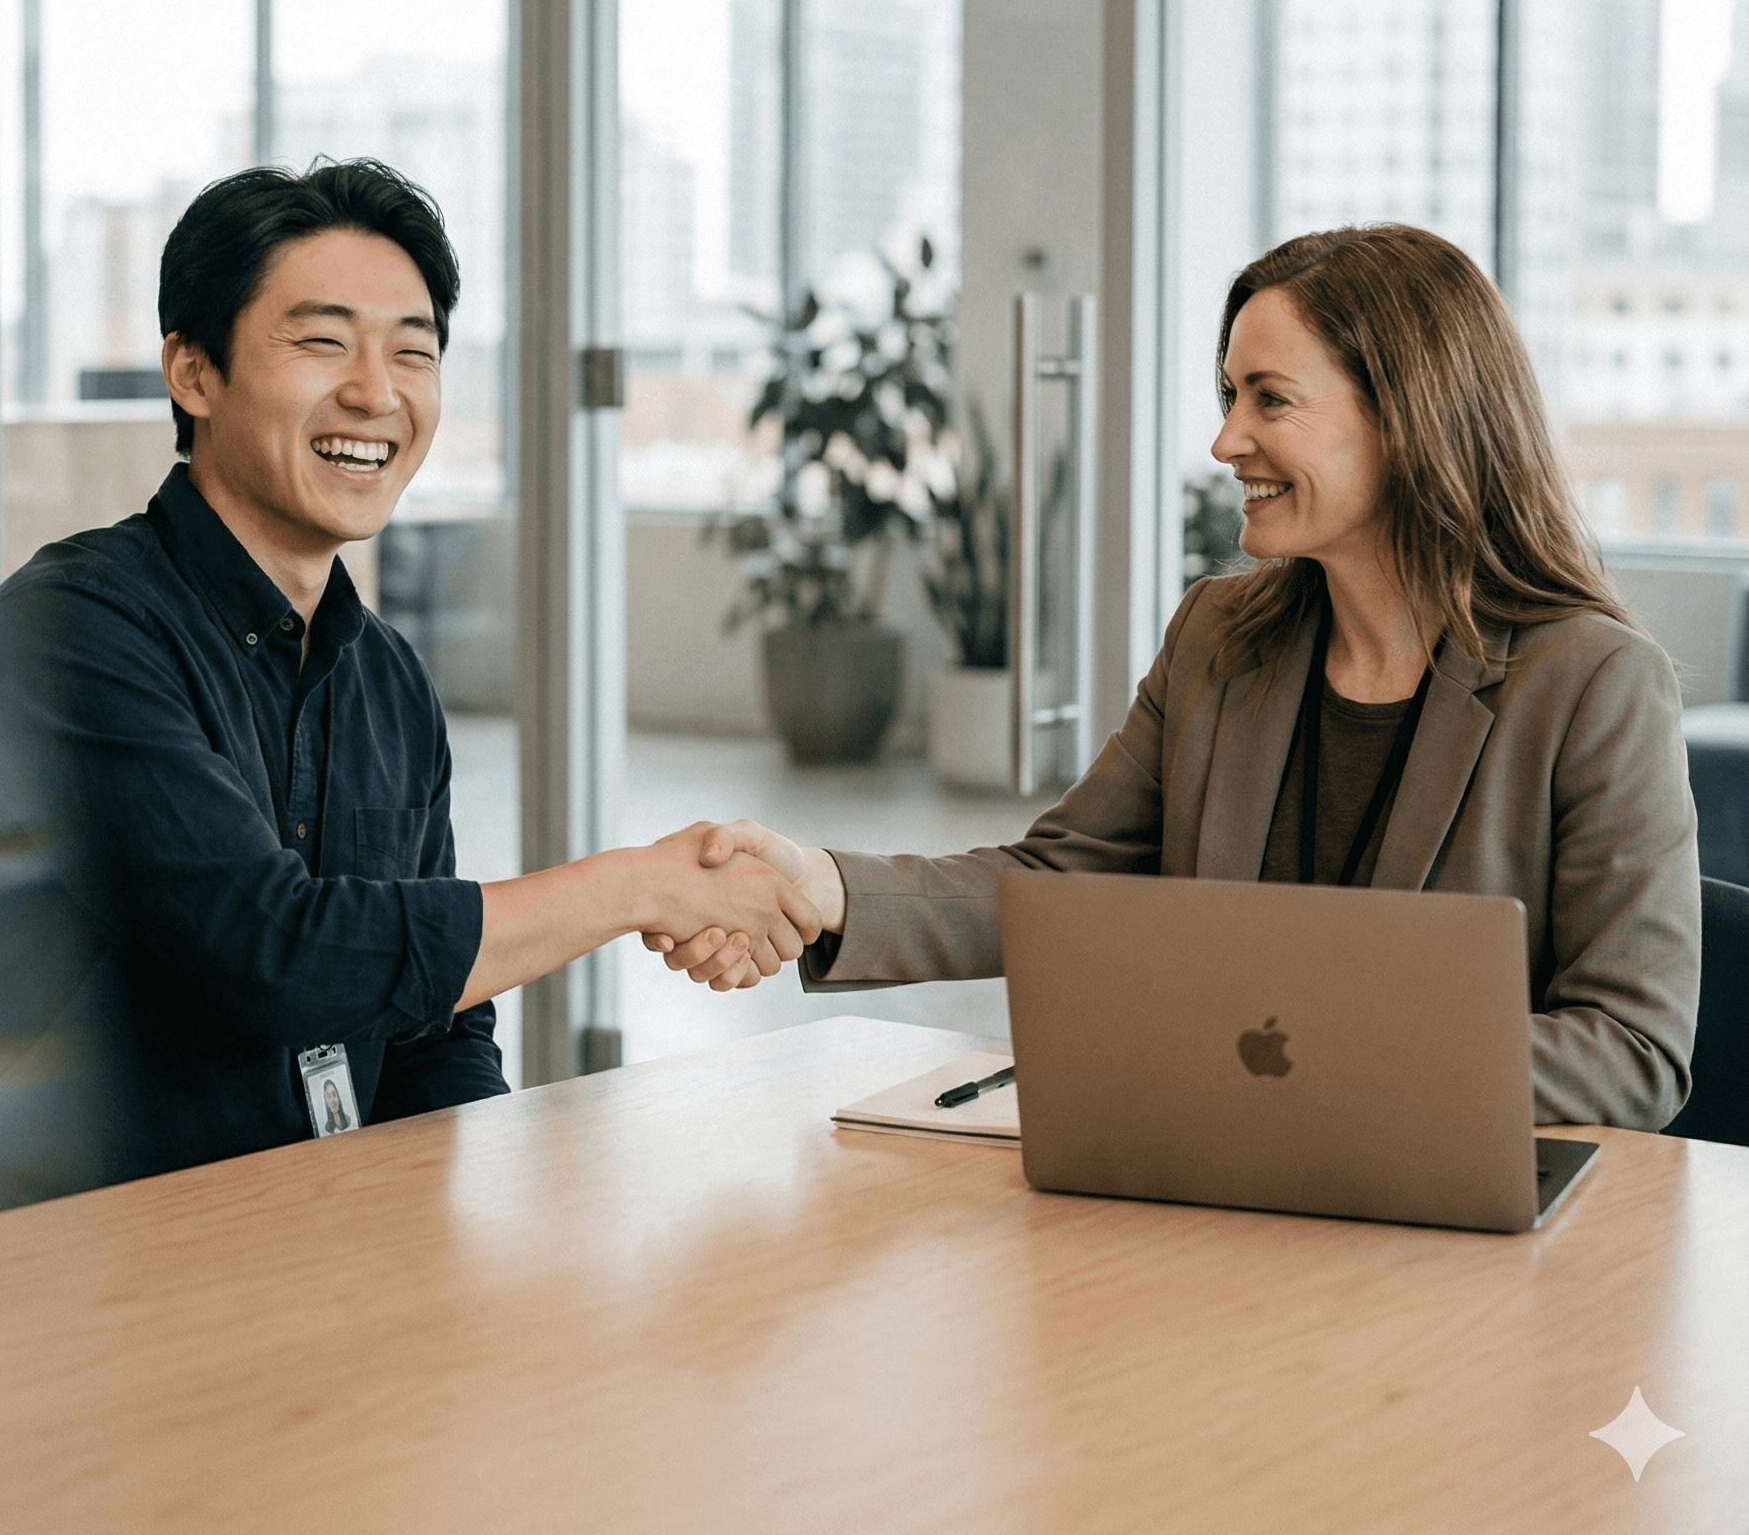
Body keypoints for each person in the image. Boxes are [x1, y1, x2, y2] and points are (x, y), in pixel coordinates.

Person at [649, 225, 1702, 1131]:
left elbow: (1631, 1050)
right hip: (1215, 1172)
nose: (1225, 439)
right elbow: (1060, 876)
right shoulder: (1219, 638)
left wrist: (1319, 1065)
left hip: (1449, 1223)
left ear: (1409, 415)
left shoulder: (1594, 686)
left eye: (1269, 399)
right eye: (1228, 395)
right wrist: (820, 886)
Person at [0, 159, 816, 1215]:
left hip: (317, 1237)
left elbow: (435, 1030)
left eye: (412, 351)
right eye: (322, 342)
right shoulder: (72, 630)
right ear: (192, 371)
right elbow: (278, 952)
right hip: (79, 1253)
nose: (376, 392)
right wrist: (638, 887)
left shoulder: (385, 676)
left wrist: (449, 1237)